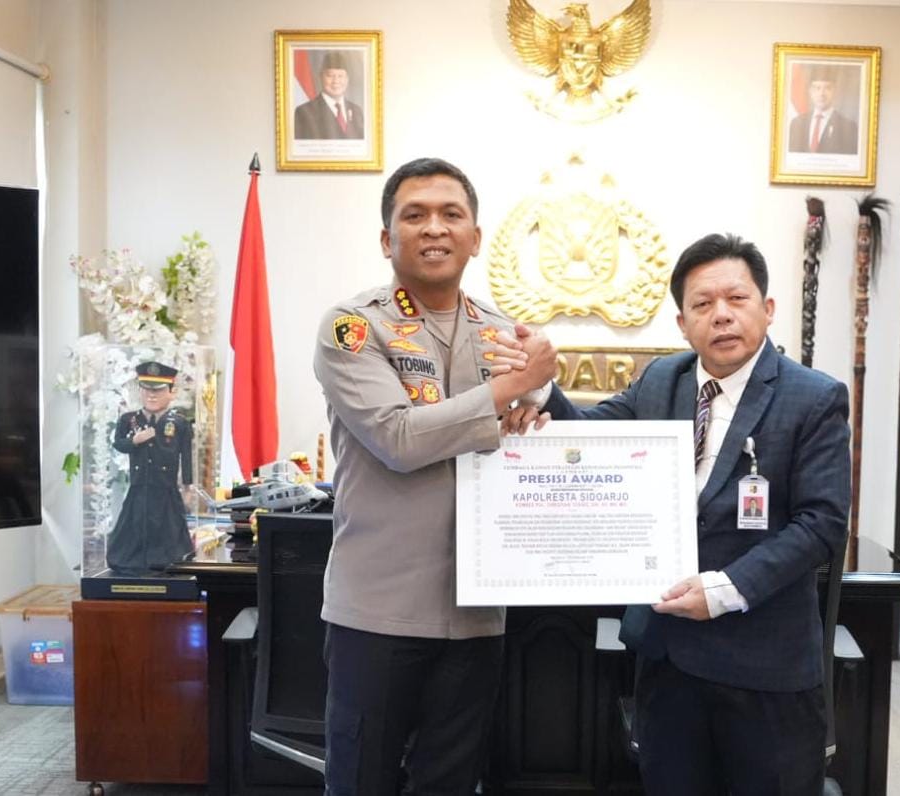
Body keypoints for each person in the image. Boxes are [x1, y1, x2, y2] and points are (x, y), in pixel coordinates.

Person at [507, 233, 852, 794]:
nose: (721, 315)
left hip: (764, 665)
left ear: (767, 308)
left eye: (736, 299)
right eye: (702, 304)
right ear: (682, 323)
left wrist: (723, 589)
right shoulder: (662, 380)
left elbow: (822, 524)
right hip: (670, 660)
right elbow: (592, 437)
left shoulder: (813, 397)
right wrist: (540, 390)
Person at [312, 157, 557, 795]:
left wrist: (536, 408)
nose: (434, 228)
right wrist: (511, 389)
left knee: (449, 782)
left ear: (475, 237)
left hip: (477, 610)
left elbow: (531, 430)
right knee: (361, 781)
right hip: (379, 611)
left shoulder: (503, 334)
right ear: (386, 238)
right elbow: (398, 438)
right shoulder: (353, 327)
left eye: (452, 214)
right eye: (414, 215)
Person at [107, 361, 193, 576]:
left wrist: (188, 486)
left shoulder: (179, 423)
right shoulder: (129, 420)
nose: (152, 396)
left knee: (169, 527)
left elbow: (186, 456)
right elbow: (118, 444)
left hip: (166, 487)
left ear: (171, 392)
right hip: (139, 485)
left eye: (159, 390)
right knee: (134, 524)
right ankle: (131, 561)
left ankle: (168, 560)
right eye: (146, 390)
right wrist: (135, 440)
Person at [786, 66, 861, 155]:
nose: (821, 94)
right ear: (810, 92)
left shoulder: (849, 128)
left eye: (827, 88)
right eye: (817, 88)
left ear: (835, 91)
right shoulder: (797, 123)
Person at [294, 52, 364, 140]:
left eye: (340, 76)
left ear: (347, 79)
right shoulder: (304, 112)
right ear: (321, 77)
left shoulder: (357, 111)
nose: (336, 81)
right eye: (330, 76)